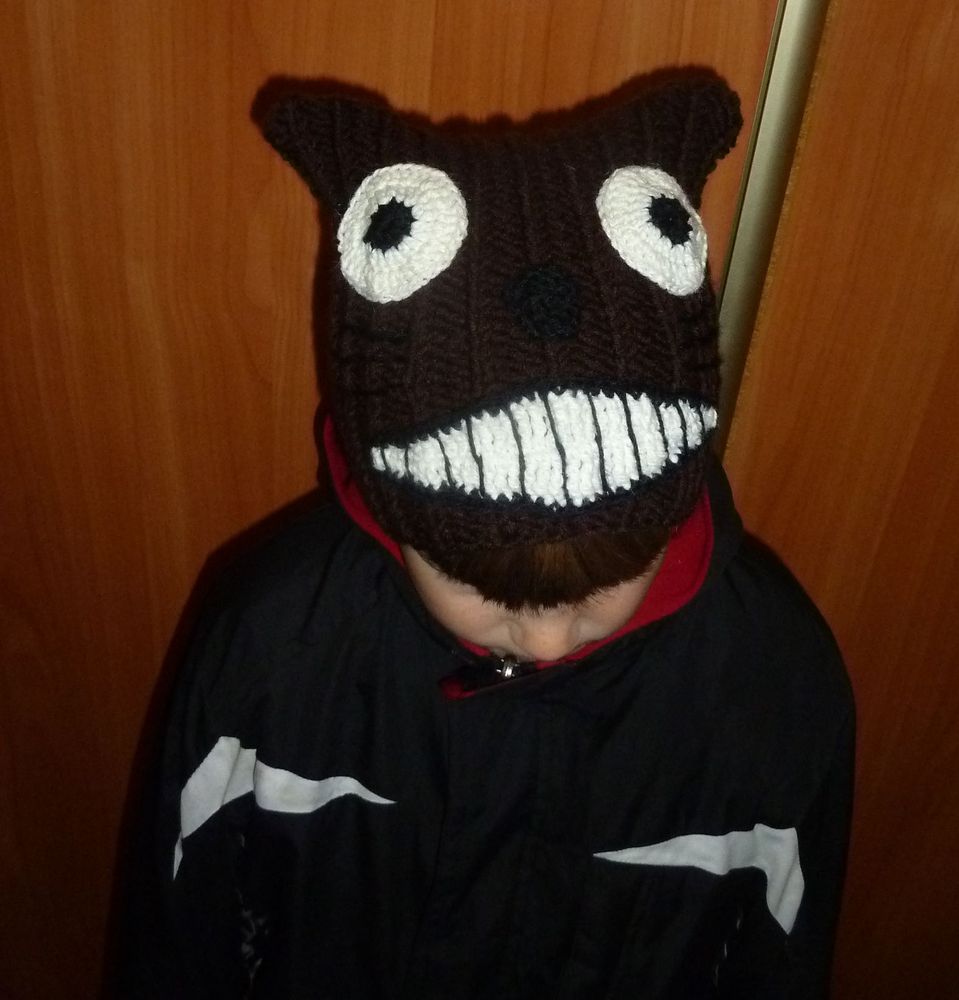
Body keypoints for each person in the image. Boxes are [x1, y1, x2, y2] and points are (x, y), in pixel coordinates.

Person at [122, 72, 854, 998]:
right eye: (487, 590)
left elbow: (782, 956)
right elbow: (174, 935)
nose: (546, 641)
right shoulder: (275, 647)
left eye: (600, 585)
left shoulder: (772, 685)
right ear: (389, 499)